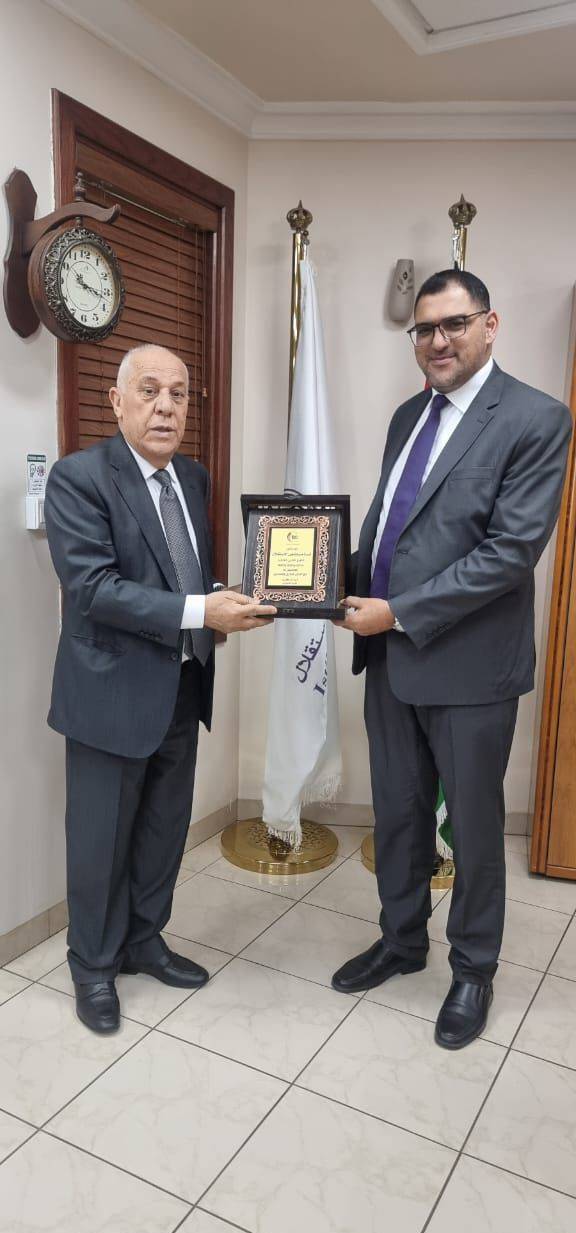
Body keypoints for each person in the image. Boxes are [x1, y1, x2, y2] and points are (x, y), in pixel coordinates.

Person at [332, 270, 572, 1049]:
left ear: (489, 325)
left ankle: (473, 970)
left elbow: (509, 552)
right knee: (398, 815)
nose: (437, 341)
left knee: (471, 829)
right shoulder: (409, 415)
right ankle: (402, 941)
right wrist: (318, 583)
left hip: (470, 669)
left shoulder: (536, 418)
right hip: (390, 663)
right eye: (424, 329)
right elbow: (393, 529)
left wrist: (398, 610)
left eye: (454, 324)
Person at [45, 343, 275, 1034]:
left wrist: (227, 598)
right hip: (110, 694)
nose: (166, 407)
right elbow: (94, 589)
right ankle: (92, 966)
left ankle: (145, 942)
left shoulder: (193, 479)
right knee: (99, 841)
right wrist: (203, 611)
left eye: (178, 394)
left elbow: (183, 576)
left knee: (162, 832)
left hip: (181, 686)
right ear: (117, 401)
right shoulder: (79, 478)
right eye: (149, 391)